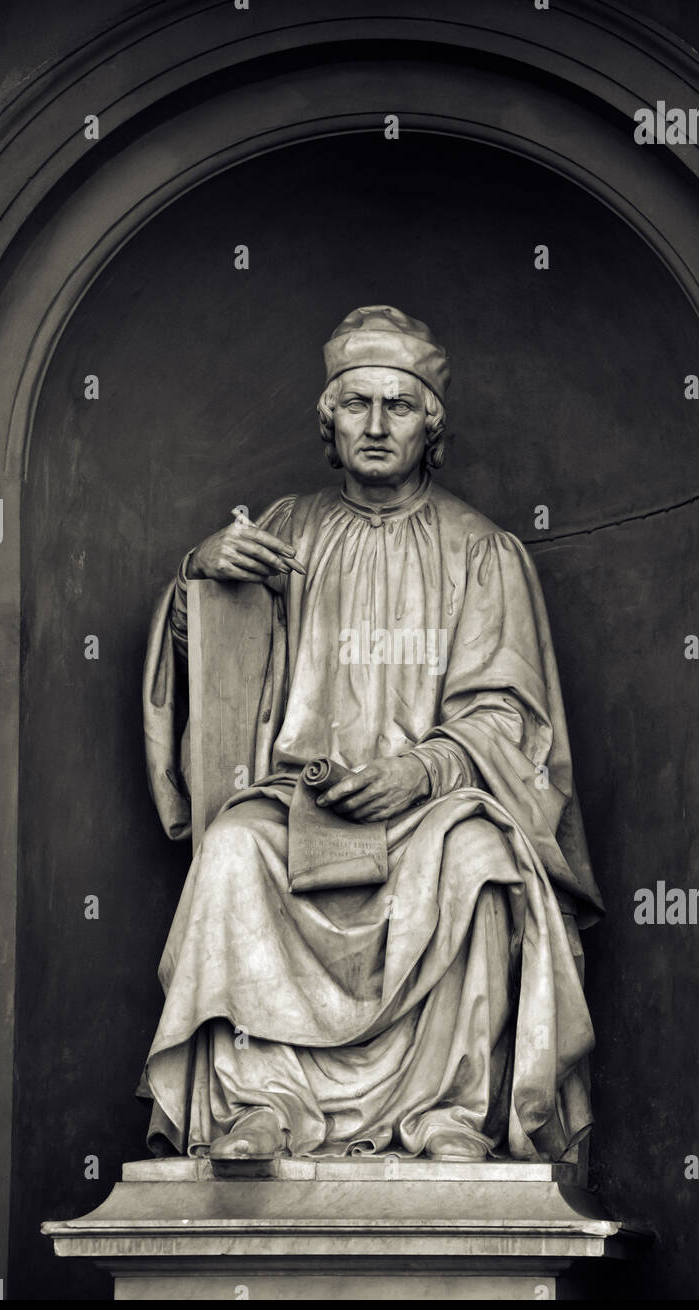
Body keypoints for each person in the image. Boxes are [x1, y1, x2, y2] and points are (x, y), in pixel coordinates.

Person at [140, 305, 602, 1163]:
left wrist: (422, 772)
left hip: (433, 806)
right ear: (329, 421)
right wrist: (197, 580)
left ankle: (449, 1111)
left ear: (431, 425)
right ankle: (262, 1105)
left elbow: (511, 716)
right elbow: (209, 664)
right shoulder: (282, 531)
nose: (378, 424)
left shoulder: (480, 551)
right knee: (235, 849)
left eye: (400, 405)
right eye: (357, 405)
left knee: (479, 860)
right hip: (300, 802)